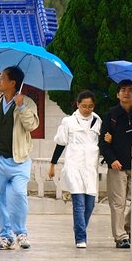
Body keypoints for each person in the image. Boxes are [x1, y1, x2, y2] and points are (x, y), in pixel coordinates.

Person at [0, 65, 39, 251]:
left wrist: (21, 106)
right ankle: (5, 237)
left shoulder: (27, 103)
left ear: (13, 83)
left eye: (2, 78)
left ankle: (21, 233)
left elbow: (31, 125)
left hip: (19, 160)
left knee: (19, 194)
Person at [100, 79, 132, 249]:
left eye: (130, 90)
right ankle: (120, 236)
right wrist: (111, 159)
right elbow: (104, 142)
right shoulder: (111, 114)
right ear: (117, 94)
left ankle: (128, 228)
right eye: (123, 90)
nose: (126, 93)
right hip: (117, 165)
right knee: (118, 203)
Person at [47, 90, 101, 248]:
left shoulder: (98, 121)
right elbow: (60, 144)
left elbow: (101, 143)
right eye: (84, 106)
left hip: (90, 168)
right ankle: (80, 238)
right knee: (79, 204)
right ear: (77, 105)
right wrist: (52, 164)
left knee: (90, 205)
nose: (87, 109)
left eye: (90, 106)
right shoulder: (68, 121)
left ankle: (79, 226)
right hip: (74, 166)